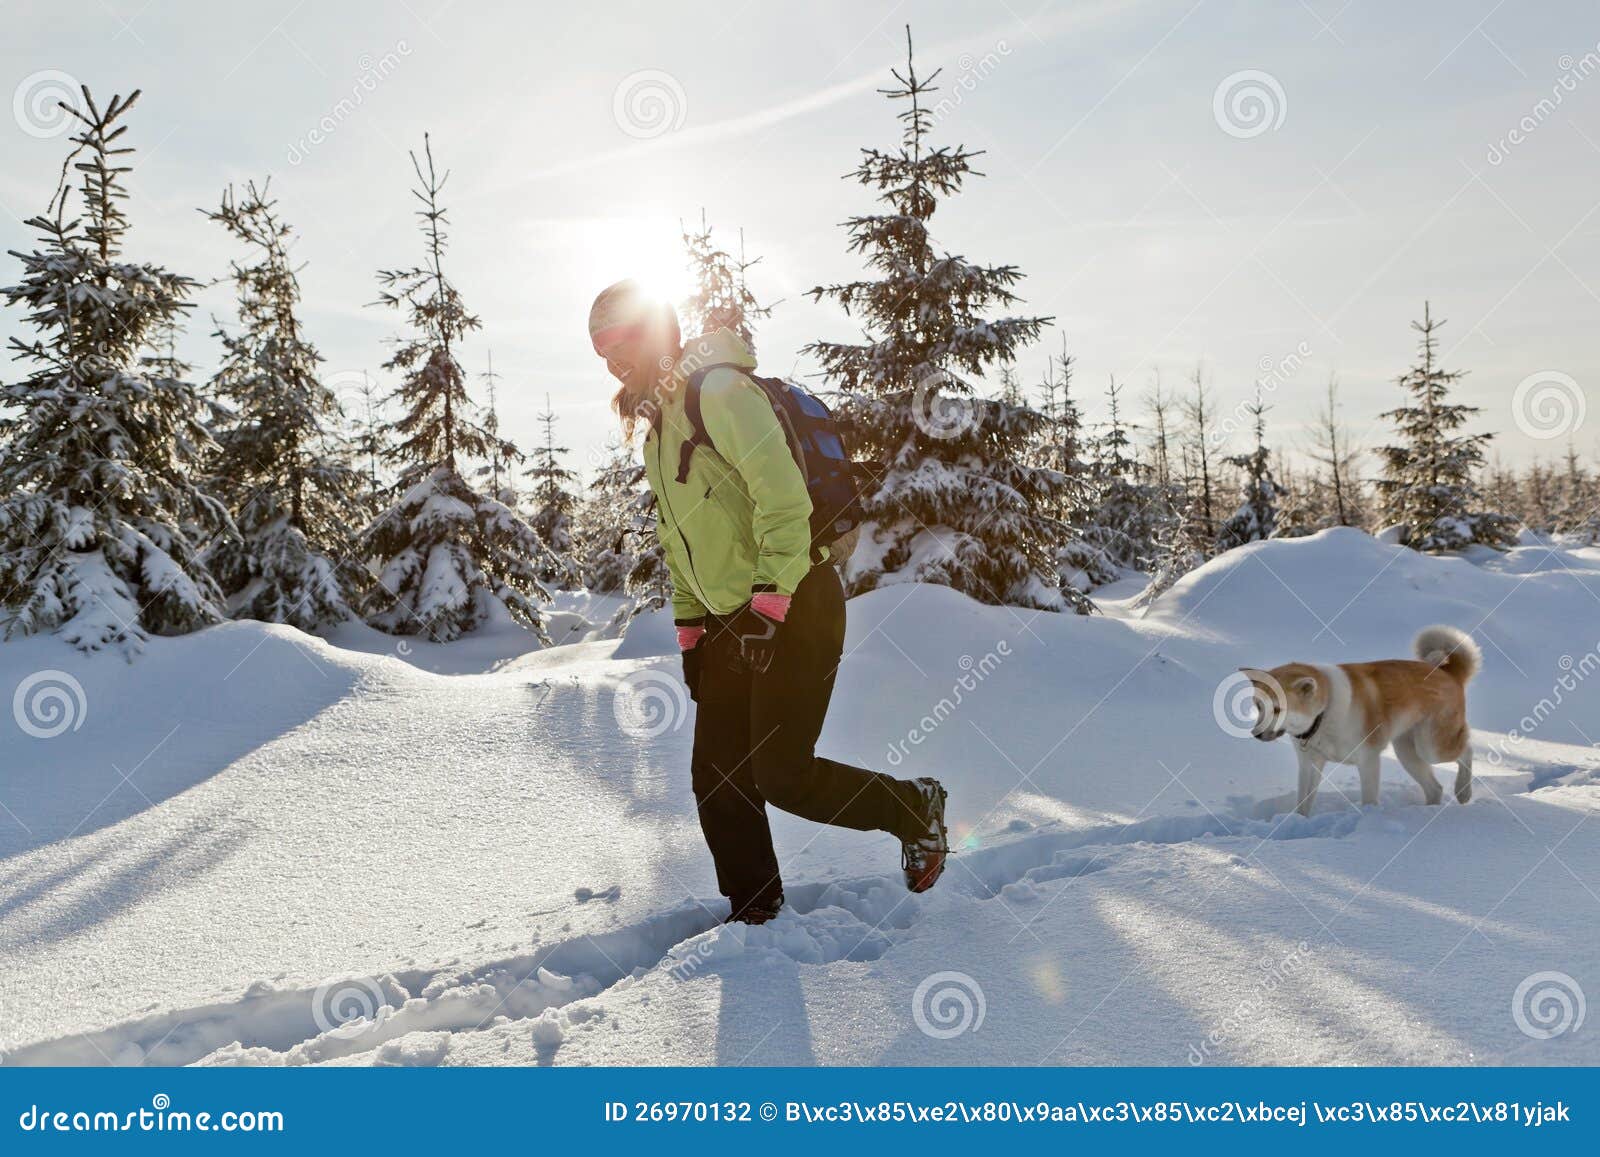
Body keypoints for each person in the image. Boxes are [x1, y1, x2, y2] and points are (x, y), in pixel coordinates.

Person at [589, 279, 949, 925]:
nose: (615, 359)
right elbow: (681, 548)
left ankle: (910, 805)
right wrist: (693, 636)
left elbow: (786, 504)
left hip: (796, 601)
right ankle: (756, 914)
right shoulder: (658, 432)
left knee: (782, 774)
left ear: (658, 332)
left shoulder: (722, 392)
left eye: (622, 340)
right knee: (719, 778)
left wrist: (769, 605)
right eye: (602, 349)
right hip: (733, 620)